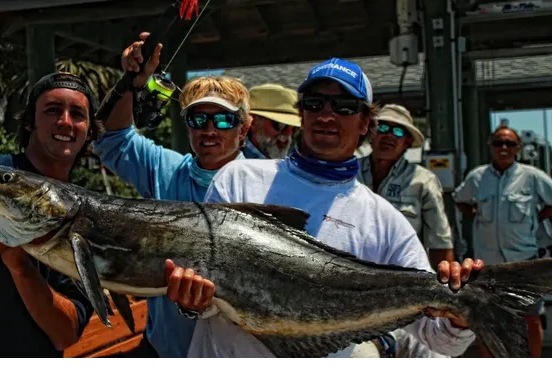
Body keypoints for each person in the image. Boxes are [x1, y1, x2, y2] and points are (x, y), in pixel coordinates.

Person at [161, 57, 483, 359]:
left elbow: (437, 337)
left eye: (343, 107)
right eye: (315, 104)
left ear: (365, 123)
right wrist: (193, 300)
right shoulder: (237, 179)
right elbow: (209, 288)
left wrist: (463, 313)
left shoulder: (385, 222)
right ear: (302, 114)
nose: (326, 115)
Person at [92, 32, 251, 359]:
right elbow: (111, 139)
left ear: (243, 129)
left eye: (223, 119)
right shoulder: (166, 169)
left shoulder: (270, 184)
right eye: (198, 118)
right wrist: (132, 82)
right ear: (188, 126)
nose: (209, 129)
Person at [0, 72, 98, 359]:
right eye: (52, 110)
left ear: (90, 131)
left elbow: (64, 334)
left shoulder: (90, 214)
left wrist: (18, 263)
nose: (65, 121)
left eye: (77, 114)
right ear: (30, 121)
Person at [452, 125, 552, 358]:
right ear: (490, 147)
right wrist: (474, 214)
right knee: (487, 320)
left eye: (509, 143)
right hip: (486, 264)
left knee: (530, 317)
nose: (504, 148)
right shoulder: (477, 177)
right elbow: (460, 199)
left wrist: (536, 218)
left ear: (518, 148)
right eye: (498, 143)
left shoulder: (533, 177)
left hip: (524, 262)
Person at [356, 104, 455, 268]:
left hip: (403, 278)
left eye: (398, 132)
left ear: (407, 142)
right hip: (351, 274)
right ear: (371, 134)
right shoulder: (348, 172)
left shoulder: (423, 181)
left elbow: (440, 243)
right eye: (383, 128)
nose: (389, 135)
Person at [242, 83, 300, 159]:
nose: (288, 134)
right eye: (281, 125)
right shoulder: (233, 161)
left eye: (294, 128)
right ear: (253, 121)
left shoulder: (293, 161)